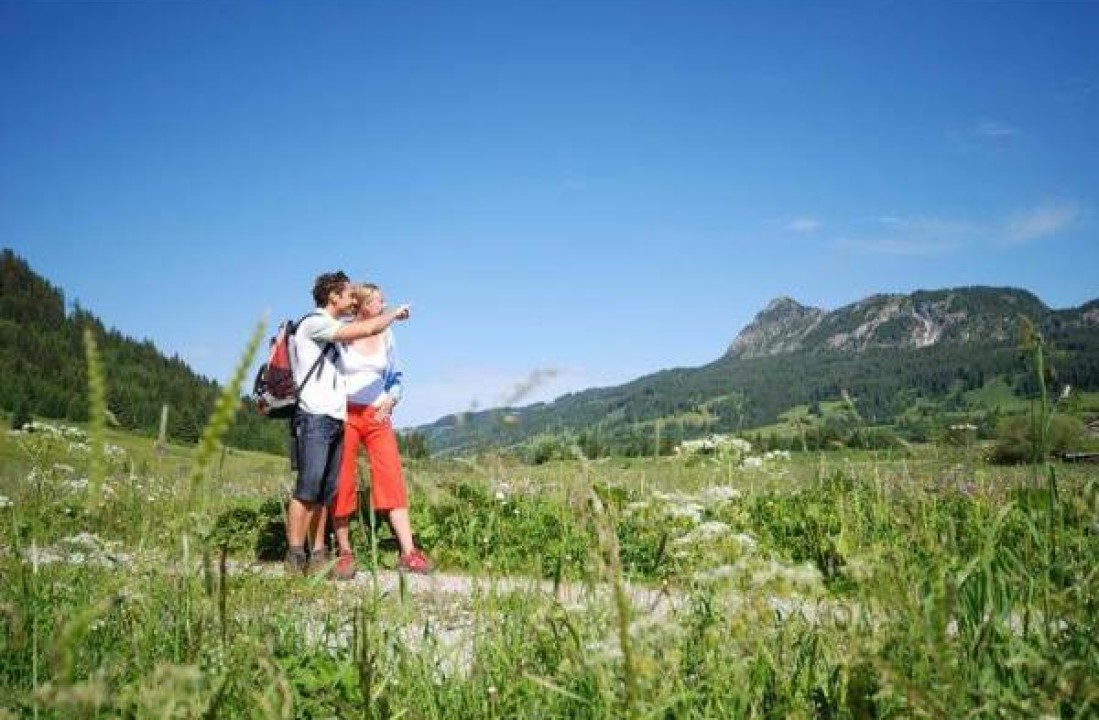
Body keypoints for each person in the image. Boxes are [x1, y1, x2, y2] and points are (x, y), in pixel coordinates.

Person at [285, 271, 411, 576]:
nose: (352, 299)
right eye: (349, 295)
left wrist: (392, 397)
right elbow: (364, 331)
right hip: (324, 414)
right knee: (314, 487)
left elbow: (392, 373)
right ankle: (303, 554)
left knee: (327, 489)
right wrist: (394, 314)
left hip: (341, 414)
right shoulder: (320, 325)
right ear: (334, 297)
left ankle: (318, 553)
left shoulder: (345, 328)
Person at [330, 283, 432, 579]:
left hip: (377, 415)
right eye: (377, 300)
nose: (383, 303)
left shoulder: (387, 334)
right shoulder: (341, 334)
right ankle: (345, 553)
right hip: (346, 414)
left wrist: (392, 398)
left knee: (391, 478)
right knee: (343, 480)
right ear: (362, 305)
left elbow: (396, 376)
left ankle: (408, 552)